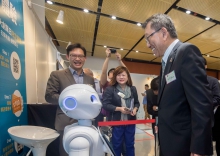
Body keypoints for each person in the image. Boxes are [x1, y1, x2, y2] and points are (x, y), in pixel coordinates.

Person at [142, 14, 213, 156]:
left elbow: (202, 104)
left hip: (184, 146)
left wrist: (198, 147)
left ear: (163, 33)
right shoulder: (167, 61)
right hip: (170, 142)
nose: (148, 44)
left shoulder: (186, 52)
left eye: (148, 37)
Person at [45, 43, 95, 156]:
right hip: (65, 123)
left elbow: (92, 99)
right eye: (74, 55)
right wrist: (71, 101)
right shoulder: (57, 75)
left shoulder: (90, 79)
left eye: (81, 56)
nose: (77, 59)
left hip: (85, 123)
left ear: (85, 58)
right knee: (65, 152)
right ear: (68, 57)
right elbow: (49, 95)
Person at [102, 66, 140, 156]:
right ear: (115, 77)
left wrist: (135, 109)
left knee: (130, 145)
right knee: (116, 145)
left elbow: (137, 103)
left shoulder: (132, 89)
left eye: (123, 75)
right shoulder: (110, 89)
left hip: (130, 122)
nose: (121, 77)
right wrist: (119, 109)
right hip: (116, 123)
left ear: (128, 77)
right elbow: (105, 104)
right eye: (119, 75)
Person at [203, 57, 220, 155]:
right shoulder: (190, 81)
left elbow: (217, 99)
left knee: (207, 147)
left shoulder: (213, 81)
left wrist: (202, 105)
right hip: (190, 121)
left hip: (208, 120)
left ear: (205, 66)